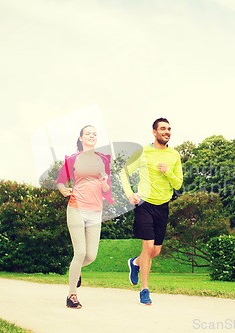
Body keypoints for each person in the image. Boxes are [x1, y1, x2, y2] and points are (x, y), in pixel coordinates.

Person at [120, 117, 183, 305]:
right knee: (147, 246)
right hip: (144, 204)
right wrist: (130, 194)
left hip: (163, 206)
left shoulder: (174, 156)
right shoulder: (143, 152)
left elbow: (178, 183)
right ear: (154, 132)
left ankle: (135, 263)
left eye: (169, 129)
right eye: (163, 128)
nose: (167, 132)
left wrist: (167, 172)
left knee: (155, 251)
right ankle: (144, 290)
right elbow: (123, 172)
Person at [57, 125, 113, 309]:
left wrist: (104, 183)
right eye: (87, 133)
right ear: (81, 138)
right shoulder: (73, 159)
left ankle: (77, 270)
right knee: (80, 252)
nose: (91, 136)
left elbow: (106, 189)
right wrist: (63, 190)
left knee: (90, 255)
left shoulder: (102, 160)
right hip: (76, 207)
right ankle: (71, 295)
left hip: (95, 211)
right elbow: (61, 181)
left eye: (94, 134)